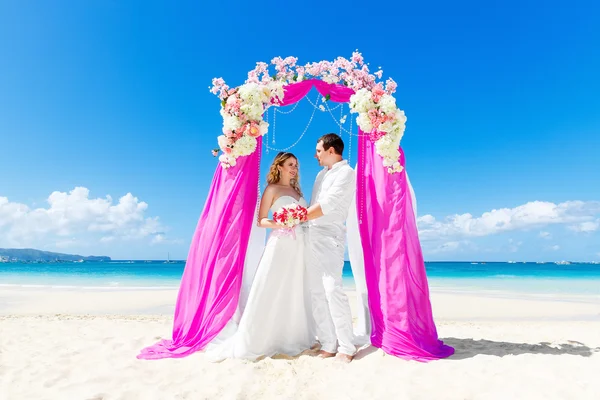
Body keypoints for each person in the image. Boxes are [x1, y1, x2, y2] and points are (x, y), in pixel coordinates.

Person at [205, 152, 314, 361]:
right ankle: (261, 337)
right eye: (291, 164)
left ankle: (292, 336)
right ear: (279, 166)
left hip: (300, 245)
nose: (295, 169)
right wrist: (280, 223)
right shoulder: (271, 190)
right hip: (280, 243)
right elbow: (261, 220)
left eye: (297, 166)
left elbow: (305, 216)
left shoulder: (296, 190)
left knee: (295, 288)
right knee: (272, 286)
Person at [305, 133, 357, 362]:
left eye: (318, 150)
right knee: (316, 292)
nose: (315, 155)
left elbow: (328, 204)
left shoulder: (346, 173)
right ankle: (328, 342)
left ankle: (347, 346)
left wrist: (296, 217)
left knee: (332, 289)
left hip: (330, 236)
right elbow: (313, 203)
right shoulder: (320, 174)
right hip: (310, 234)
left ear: (331, 150)